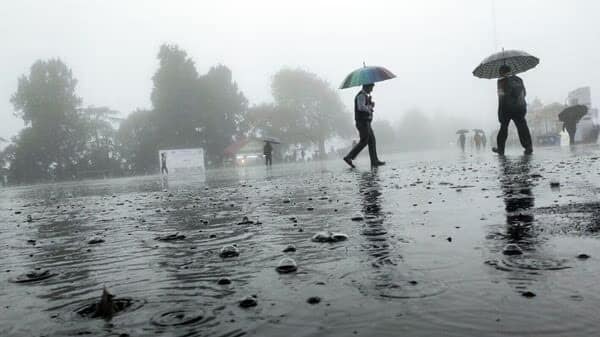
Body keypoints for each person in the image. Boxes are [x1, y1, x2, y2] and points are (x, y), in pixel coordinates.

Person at [492, 65, 533, 155]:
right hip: (520, 108)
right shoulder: (518, 79)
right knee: (523, 128)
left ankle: (501, 149)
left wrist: (500, 113)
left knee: (503, 128)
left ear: (502, 72)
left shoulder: (501, 81)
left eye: (500, 72)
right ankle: (528, 147)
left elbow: (501, 97)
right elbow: (524, 93)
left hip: (507, 108)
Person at [343, 84, 385, 168]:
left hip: (366, 122)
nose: (372, 90)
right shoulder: (361, 95)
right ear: (366, 87)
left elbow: (365, 106)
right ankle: (349, 157)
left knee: (372, 141)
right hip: (362, 122)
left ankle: (374, 161)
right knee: (364, 141)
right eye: (371, 87)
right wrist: (369, 107)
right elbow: (361, 107)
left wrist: (370, 103)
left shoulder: (365, 96)